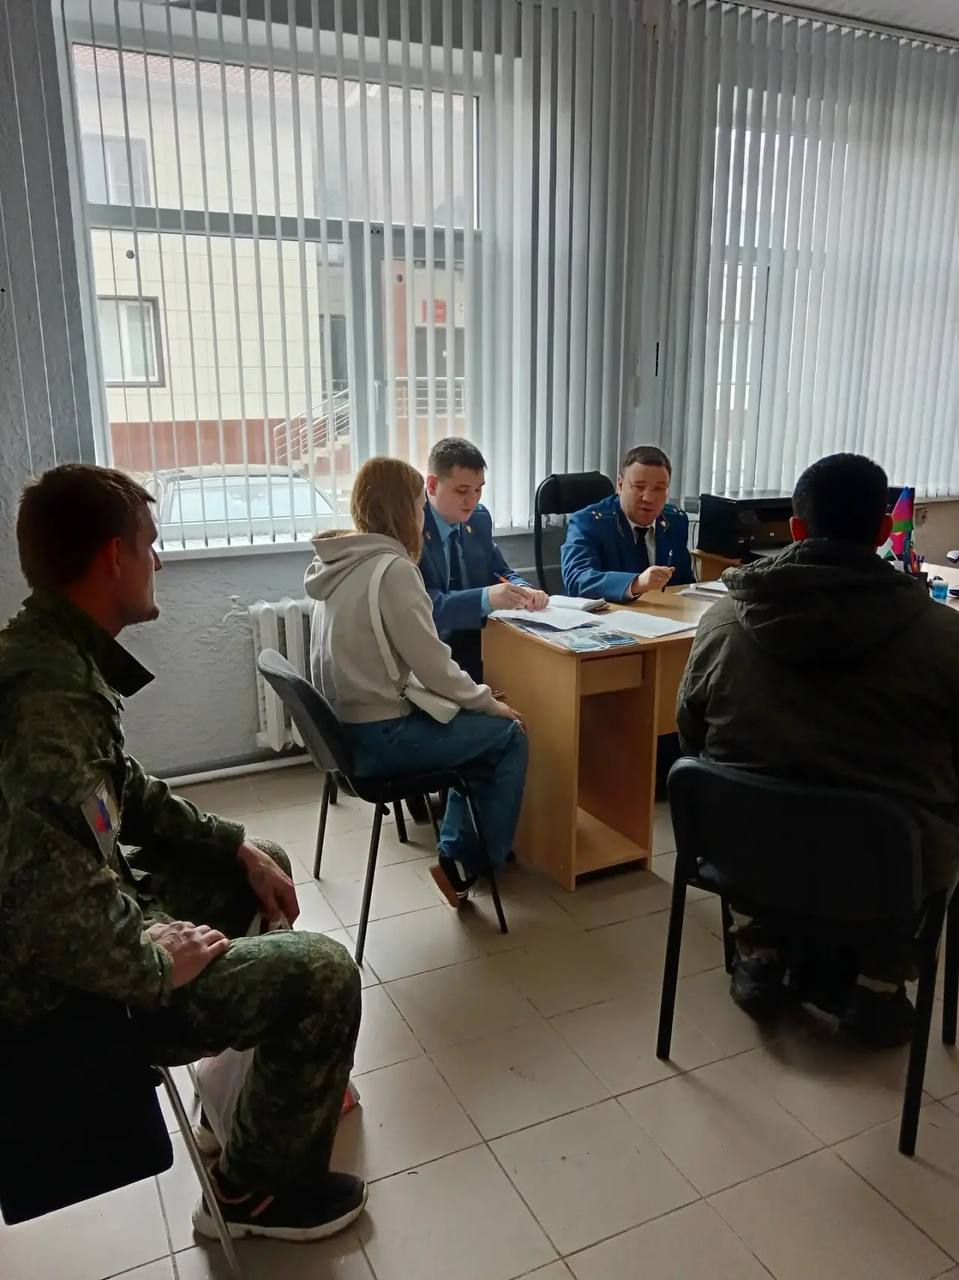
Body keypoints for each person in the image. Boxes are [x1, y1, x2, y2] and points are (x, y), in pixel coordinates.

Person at [0, 464, 364, 1242]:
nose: (158, 561)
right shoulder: (45, 701)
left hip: (91, 939)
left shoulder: (50, 655)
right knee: (324, 972)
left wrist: (235, 845)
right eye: (151, 544)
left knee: (258, 857)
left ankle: (238, 1113)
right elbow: (47, 913)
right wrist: (156, 960)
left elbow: (121, 794)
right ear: (114, 558)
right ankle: (254, 1194)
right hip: (69, 998)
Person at [677, 452, 959, 1047]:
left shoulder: (723, 623)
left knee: (763, 800)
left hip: (744, 852)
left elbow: (691, 735)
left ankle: (760, 950)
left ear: (796, 527)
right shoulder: (943, 638)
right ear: (883, 531)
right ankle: (878, 984)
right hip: (886, 871)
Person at [305, 456, 528, 906]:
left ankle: (464, 849)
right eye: (420, 507)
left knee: (475, 719)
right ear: (404, 509)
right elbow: (433, 665)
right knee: (508, 734)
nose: (423, 516)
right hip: (381, 738)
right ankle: (467, 863)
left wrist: (474, 701)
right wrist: (488, 703)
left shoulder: (339, 563)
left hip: (347, 734)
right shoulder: (393, 570)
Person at [419, 436, 548, 683]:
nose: (472, 500)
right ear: (432, 485)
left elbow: (500, 571)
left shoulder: (478, 519)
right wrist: (485, 598)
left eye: (478, 489)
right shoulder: (411, 524)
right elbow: (423, 605)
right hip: (431, 651)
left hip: (481, 642)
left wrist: (524, 590)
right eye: (462, 491)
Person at [561, 445, 694, 602]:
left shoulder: (675, 520)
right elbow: (577, 579)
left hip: (665, 612)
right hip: (610, 613)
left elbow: (685, 583)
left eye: (659, 488)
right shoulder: (588, 522)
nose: (649, 498)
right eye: (639, 487)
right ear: (620, 485)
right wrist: (636, 583)